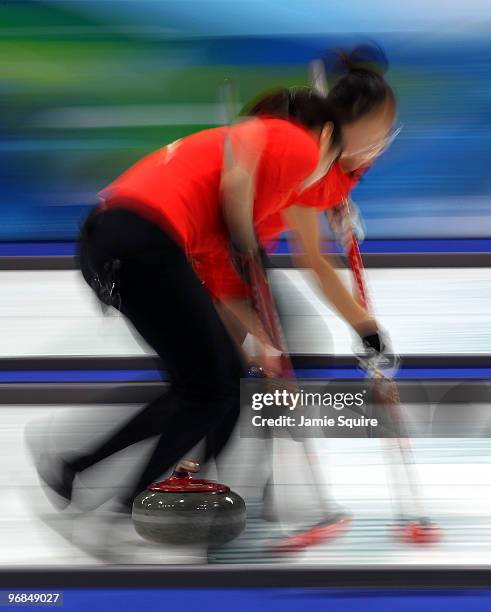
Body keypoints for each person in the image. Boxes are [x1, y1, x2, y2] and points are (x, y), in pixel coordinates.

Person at [34, 93, 340, 514]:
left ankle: (78, 469)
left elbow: (222, 279)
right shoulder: (294, 140)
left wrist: (265, 343)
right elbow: (249, 202)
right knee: (213, 391)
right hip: (146, 240)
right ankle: (133, 503)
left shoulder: (227, 160)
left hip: (104, 242)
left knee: (202, 385)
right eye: (332, 155)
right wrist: (245, 240)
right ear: (324, 135)